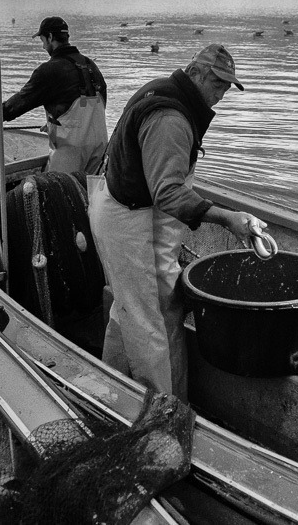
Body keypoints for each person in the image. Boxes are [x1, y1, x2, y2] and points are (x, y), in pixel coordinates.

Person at [87, 43, 267, 401]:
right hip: (128, 220)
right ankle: (160, 412)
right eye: (217, 84)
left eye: (227, 87)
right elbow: (168, 192)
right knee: (149, 321)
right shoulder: (171, 119)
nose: (221, 94)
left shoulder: (163, 89)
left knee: (133, 309)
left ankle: (112, 386)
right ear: (195, 72)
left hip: (123, 206)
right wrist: (227, 217)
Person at [0, 16, 108, 174]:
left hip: (71, 150)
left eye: (42, 40)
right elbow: (96, 103)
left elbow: (23, 100)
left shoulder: (49, 69)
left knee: (60, 191)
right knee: (90, 193)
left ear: (51, 37)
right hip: (99, 144)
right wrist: (56, 123)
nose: (43, 46)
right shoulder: (90, 64)